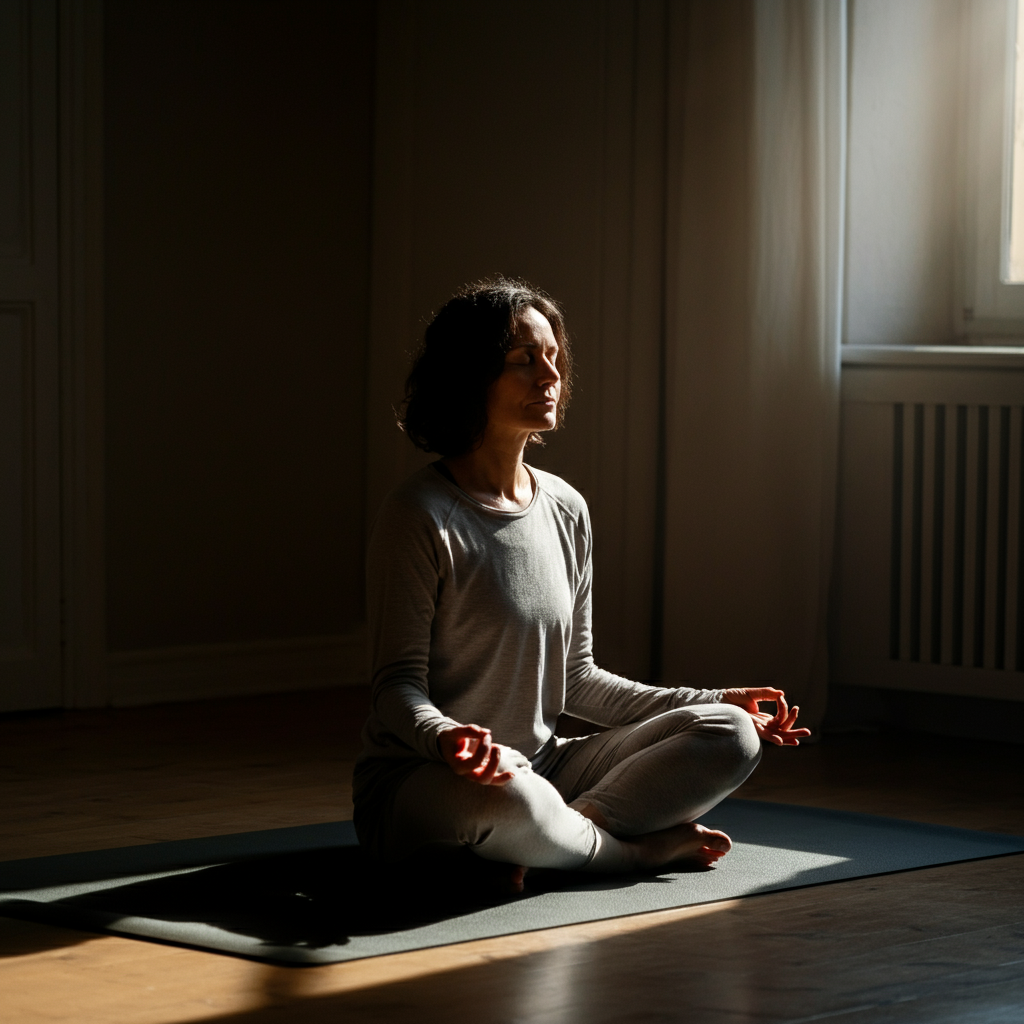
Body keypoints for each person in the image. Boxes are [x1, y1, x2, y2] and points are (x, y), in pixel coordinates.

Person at [353, 278, 809, 891]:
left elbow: (577, 680)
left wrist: (720, 696)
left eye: (552, 358)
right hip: (429, 783)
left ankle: (559, 841)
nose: (550, 375)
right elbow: (395, 689)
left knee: (732, 734)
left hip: (548, 769)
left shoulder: (565, 507)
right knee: (512, 801)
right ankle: (634, 854)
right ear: (470, 377)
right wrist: (447, 738)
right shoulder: (420, 514)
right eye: (523, 361)